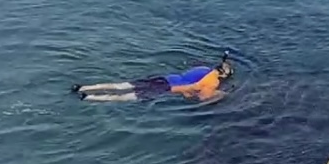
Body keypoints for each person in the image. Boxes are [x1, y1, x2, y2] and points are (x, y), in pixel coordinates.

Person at [73, 52, 234, 102]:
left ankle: (83, 87)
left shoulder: (203, 68)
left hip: (163, 78)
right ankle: (88, 97)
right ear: (223, 75)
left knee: (121, 86)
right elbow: (199, 94)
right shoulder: (213, 82)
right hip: (166, 88)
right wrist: (222, 95)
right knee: (125, 97)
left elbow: (190, 78)